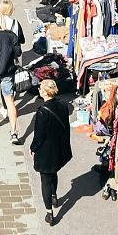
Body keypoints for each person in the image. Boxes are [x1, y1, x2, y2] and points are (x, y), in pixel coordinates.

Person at [29, 78, 72, 225]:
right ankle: (54, 196)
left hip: (46, 152)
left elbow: (39, 135)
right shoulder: (63, 105)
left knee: (45, 180)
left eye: (41, 88)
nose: (39, 90)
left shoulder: (43, 111)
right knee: (54, 173)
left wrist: (33, 148)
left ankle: (49, 213)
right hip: (58, 148)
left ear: (46, 92)